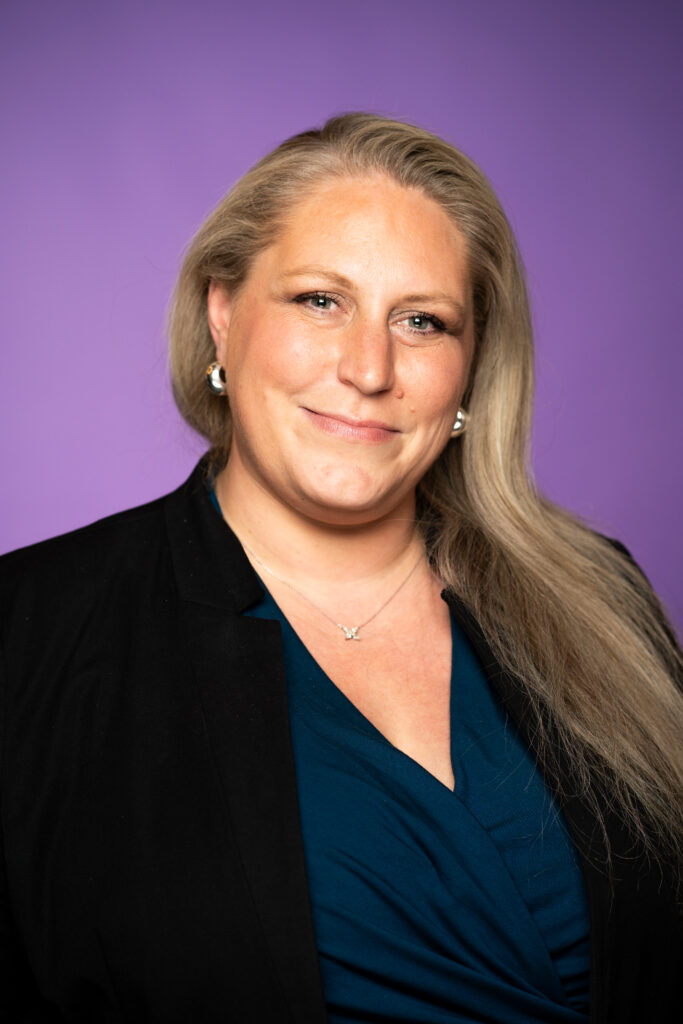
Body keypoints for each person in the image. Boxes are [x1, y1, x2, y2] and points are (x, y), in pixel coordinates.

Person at [0, 114, 681, 1024]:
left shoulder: (600, 595)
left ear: (469, 372)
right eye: (320, 300)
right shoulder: (30, 631)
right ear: (223, 314)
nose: (368, 368)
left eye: (422, 321)